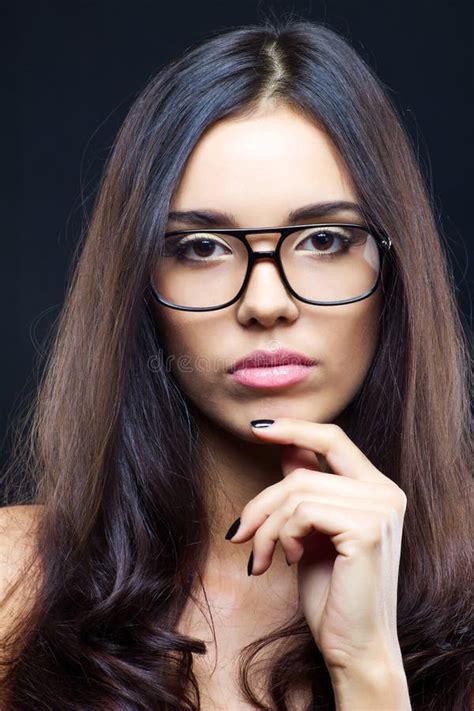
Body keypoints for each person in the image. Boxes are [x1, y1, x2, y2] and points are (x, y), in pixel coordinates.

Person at [0, 16, 472, 711]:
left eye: (323, 238)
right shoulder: (15, 582)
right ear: (139, 288)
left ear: (395, 269)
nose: (266, 301)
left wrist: (368, 665)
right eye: (201, 248)